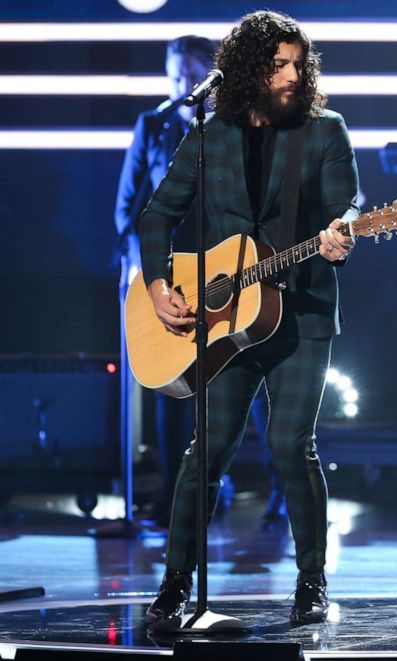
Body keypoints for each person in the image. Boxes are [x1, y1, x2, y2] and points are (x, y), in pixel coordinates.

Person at [140, 10, 359, 625]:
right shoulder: (211, 131)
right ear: (246, 70)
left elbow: (348, 203)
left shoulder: (324, 130)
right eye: (278, 64)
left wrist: (343, 231)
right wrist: (159, 285)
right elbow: (158, 215)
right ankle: (177, 583)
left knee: (292, 446)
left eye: (298, 64)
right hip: (222, 320)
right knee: (204, 452)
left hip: (301, 314)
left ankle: (312, 581)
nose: (291, 75)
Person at [114, 35, 214, 527]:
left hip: (220, 272)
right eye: (175, 73)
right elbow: (128, 210)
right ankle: (171, 496)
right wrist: (150, 276)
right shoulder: (152, 126)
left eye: (191, 73)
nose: (182, 83)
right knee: (171, 389)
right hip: (165, 280)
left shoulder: (226, 128)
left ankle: (253, 495)